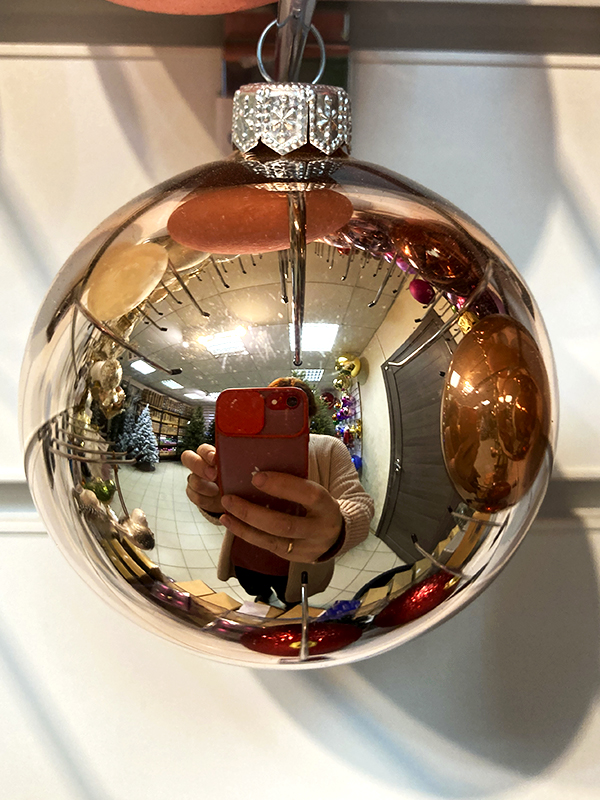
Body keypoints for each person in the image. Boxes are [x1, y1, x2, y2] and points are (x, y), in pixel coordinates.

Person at [181, 378, 374, 605]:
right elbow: (224, 503)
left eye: (294, 408)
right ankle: (263, 596)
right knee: (255, 591)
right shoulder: (244, 447)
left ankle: (286, 602)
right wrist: (214, 500)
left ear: (308, 414)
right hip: (245, 557)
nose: (283, 420)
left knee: (291, 600)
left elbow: (360, 503)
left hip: (300, 566)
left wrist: (340, 525)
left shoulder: (329, 447)